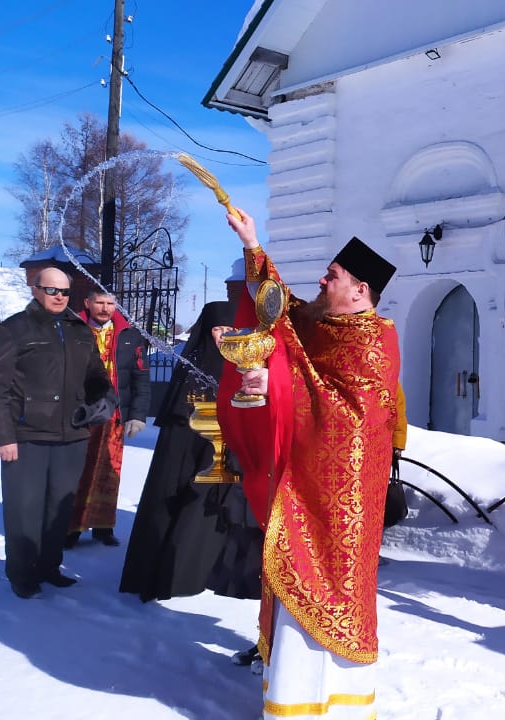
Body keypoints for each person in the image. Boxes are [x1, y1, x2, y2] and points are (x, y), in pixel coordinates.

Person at [218, 208, 400, 719]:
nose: (321, 280)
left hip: (340, 508)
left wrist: (274, 383)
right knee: (293, 585)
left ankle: (330, 706)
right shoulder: (324, 322)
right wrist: (252, 245)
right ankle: (293, 700)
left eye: (332, 276)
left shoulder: (375, 340)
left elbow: (350, 418)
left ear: (360, 290)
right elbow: (280, 307)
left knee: (325, 592)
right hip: (305, 487)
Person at [118, 264, 264, 605]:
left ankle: (200, 571)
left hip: (223, 448)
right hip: (194, 443)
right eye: (218, 329)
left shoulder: (242, 360)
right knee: (181, 504)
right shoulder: (198, 363)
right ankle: (172, 574)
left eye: (230, 329)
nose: (223, 335)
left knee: (211, 511)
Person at [0, 266, 112, 599]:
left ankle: (49, 567)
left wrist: (104, 400)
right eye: (52, 290)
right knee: (24, 509)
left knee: (59, 510)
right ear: (35, 289)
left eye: (65, 292)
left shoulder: (80, 330)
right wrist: (3, 437)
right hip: (27, 436)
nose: (59, 297)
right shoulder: (14, 329)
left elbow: (97, 377)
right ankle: (22, 575)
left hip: (72, 436)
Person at [67, 289, 150, 548]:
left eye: (110, 303)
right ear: (87, 303)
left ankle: (103, 526)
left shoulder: (129, 335)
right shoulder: (71, 330)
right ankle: (70, 528)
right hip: (81, 414)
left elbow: (140, 378)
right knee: (77, 471)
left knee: (109, 472)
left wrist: (137, 415)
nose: (105, 308)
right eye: (99, 302)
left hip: (114, 417)